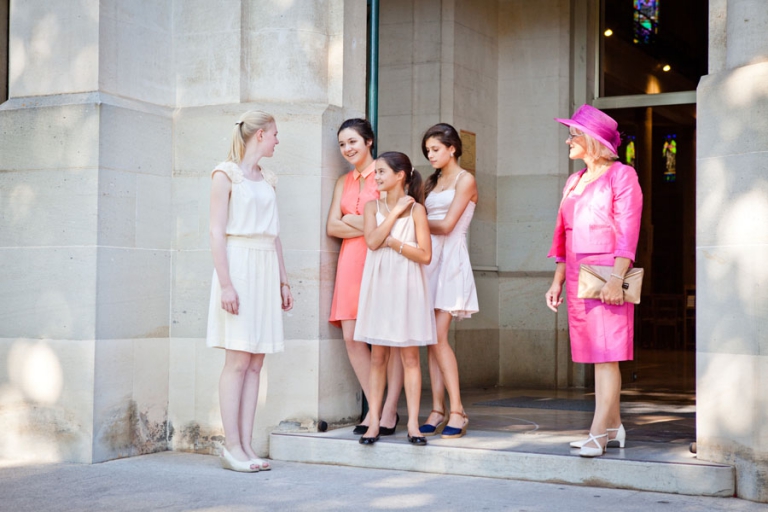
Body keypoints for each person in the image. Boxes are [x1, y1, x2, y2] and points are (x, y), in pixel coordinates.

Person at [545, 104, 642, 458]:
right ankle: (614, 427)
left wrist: (617, 278)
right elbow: (562, 234)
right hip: (575, 275)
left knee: (607, 356)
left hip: (606, 275)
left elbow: (628, 231)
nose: (568, 140)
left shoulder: (622, 176)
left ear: (593, 140)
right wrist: (557, 280)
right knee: (594, 354)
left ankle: (599, 432)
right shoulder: (574, 180)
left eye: (573, 134)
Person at [206, 111, 294, 472]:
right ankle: (231, 447)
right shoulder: (225, 174)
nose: (277, 140)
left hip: (265, 266)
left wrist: (284, 281)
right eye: (274, 134)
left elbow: (274, 235)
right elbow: (216, 233)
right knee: (238, 359)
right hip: (239, 266)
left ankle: (246, 444)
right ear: (259, 135)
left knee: (257, 361)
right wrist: (226, 283)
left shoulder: (268, 178)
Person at [327, 119, 403, 436]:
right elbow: (332, 227)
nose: (347, 149)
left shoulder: (384, 173)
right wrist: (366, 222)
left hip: (381, 259)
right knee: (352, 337)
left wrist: (353, 220)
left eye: (353, 142)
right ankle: (374, 405)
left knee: (389, 339)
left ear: (369, 141)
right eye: (343, 144)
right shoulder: (342, 182)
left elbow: (393, 221)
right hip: (349, 261)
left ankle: (389, 411)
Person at [354, 152, 436, 446]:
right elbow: (372, 242)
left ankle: (413, 423)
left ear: (400, 175)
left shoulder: (417, 212)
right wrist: (393, 213)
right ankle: (374, 422)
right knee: (378, 356)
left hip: (407, 285)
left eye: (381, 172)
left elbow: (425, 255)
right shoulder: (371, 207)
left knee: (411, 357)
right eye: (375, 173)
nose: (375, 178)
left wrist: (395, 242)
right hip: (379, 285)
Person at [418, 123, 478, 440]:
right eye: (427, 151)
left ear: (452, 148)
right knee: (431, 340)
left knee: (439, 336)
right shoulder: (432, 182)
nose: (430, 155)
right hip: (429, 260)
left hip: (451, 260)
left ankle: (458, 410)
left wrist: (410, 218)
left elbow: (447, 225)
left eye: (435, 149)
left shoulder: (466, 179)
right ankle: (437, 409)